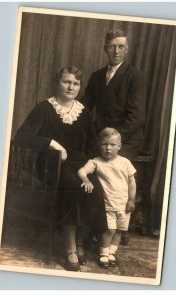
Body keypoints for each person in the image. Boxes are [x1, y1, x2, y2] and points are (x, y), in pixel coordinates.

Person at [14, 66, 107, 272]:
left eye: (76, 83)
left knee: (96, 191)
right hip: (51, 164)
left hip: (80, 164)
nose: (71, 87)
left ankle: (81, 242)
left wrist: (91, 164)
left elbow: (92, 143)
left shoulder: (82, 112)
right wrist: (51, 143)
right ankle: (70, 248)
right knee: (74, 189)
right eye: (67, 82)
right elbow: (22, 136)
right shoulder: (44, 108)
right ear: (57, 82)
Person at [82, 29, 147, 244]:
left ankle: (118, 226)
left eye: (121, 46)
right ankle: (97, 226)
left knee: (111, 169)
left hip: (127, 138)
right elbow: (84, 106)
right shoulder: (97, 76)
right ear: (105, 49)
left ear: (126, 50)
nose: (116, 50)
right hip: (102, 139)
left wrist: (114, 141)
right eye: (112, 46)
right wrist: (65, 114)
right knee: (86, 165)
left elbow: (136, 118)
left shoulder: (135, 77)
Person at [78, 127, 136, 268]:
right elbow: (82, 171)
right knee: (109, 229)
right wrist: (86, 180)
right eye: (104, 144)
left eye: (112, 145)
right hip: (107, 203)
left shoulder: (125, 162)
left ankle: (111, 252)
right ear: (99, 145)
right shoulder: (96, 162)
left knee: (119, 230)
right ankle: (103, 253)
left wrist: (131, 199)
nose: (108, 148)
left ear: (119, 146)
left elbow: (131, 182)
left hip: (123, 204)